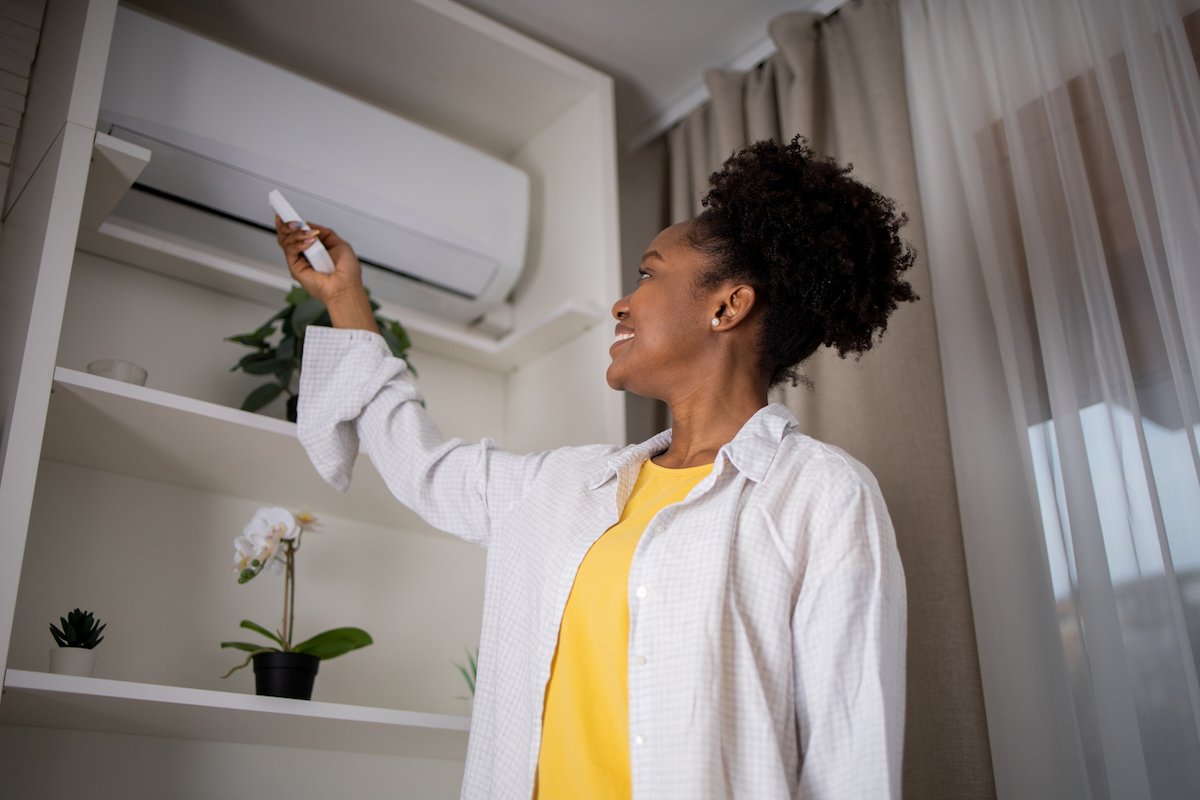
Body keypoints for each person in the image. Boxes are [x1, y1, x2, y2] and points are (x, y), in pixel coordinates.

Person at [278, 136, 913, 800]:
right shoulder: (560, 488)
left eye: (648, 274)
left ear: (727, 305)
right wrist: (345, 298)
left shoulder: (819, 494)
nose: (622, 304)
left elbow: (852, 761)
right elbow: (423, 467)